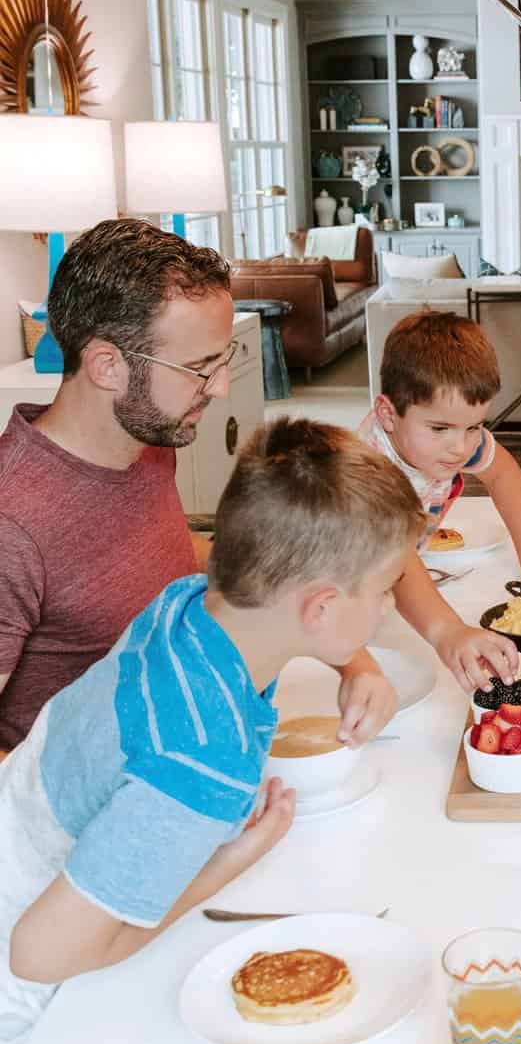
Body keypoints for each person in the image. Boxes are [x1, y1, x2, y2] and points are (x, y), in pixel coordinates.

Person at [0, 418, 422, 1044]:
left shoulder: (188, 603)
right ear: (320, 607)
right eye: (386, 588)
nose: (390, 608)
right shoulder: (201, 759)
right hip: (26, 1018)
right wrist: (225, 864)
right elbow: (37, 954)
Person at [0, 219, 398, 756]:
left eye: (222, 359)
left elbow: (172, 556)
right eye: (197, 367)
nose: (221, 386)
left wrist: (354, 658)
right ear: (106, 365)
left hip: (196, 738)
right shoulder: (14, 524)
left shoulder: (147, 441)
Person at [360, 310, 521, 692]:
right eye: (440, 429)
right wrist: (448, 631)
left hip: (391, 586)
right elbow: (396, 557)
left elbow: (502, 473)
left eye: (474, 427)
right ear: (387, 414)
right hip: (343, 594)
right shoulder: (368, 469)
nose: (460, 448)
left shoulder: (451, 439)